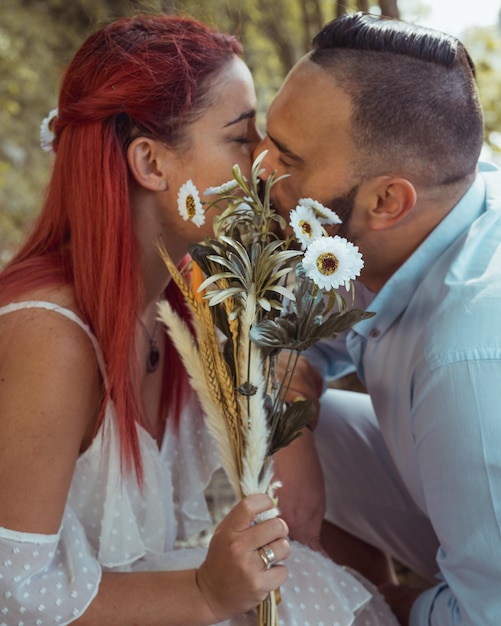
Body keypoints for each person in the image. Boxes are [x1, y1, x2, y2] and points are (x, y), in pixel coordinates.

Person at [0, 13, 400, 626]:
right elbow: (12, 592)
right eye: (241, 136)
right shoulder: (51, 340)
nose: (266, 161)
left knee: (311, 589)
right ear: (151, 165)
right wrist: (204, 597)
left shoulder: (182, 301)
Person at [256, 10, 501, 626]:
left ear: (388, 200)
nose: (261, 169)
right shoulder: (391, 227)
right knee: (311, 424)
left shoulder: (466, 361)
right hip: (455, 480)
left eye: (289, 158)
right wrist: (294, 442)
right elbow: (293, 339)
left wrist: (380, 609)